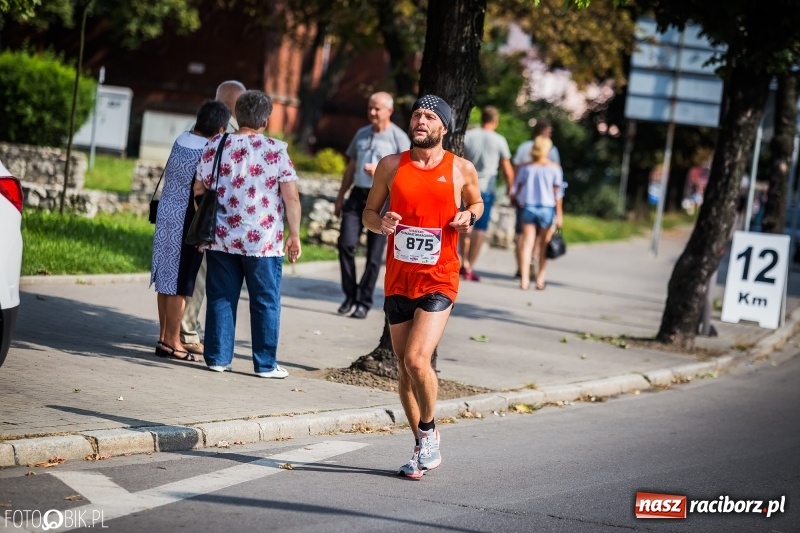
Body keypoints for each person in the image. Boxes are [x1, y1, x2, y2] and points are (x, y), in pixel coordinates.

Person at [362, 94, 483, 479]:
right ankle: (421, 447)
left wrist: (468, 216)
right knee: (403, 368)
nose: (421, 121)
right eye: (416, 114)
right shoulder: (391, 166)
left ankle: (428, 433)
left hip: (439, 277)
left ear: (443, 127)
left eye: (430, 116)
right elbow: (368, 212)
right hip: (399, 279)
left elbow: (477, 203)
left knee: (417, 359)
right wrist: (379, 223)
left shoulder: (461, 168)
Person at [192, 90, 302, 378]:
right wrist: (295, 235)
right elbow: (291, 198)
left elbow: (199, 189)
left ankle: (217, 358)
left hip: (221, 236)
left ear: (236, 116)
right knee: (265, 300)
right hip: (262, 242)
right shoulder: (276, 150)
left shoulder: (216, 144)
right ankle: (265, 364)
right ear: (265, 119)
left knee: (220, 296)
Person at [151, 100, 231, 361]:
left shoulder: (182, 138)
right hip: (189, 219)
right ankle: (175, 342)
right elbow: (205, 185)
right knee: (182, 283)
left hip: (166, 214)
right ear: (220, 128)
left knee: (165, 280)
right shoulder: (209, 148)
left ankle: (164, 337)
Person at [180, 80, 246, 356]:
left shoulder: (196, 126)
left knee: (193, 274)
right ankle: (188, 331)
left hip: (195, 212)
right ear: (232, 105)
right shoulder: (222, 132)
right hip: (207, 214)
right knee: (199, 275)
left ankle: (182, 329)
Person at [334, 92, 411, 319]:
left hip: (384, 200)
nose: (372, 112)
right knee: (345, 245)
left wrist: (381, 170)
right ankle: (350, 295)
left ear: (389, 111)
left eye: (377, 108)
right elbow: (351, 166)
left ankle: (364, 302)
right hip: (357, 196)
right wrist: (340, 196)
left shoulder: (398, 138)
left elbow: (407, 172)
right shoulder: (361, 133)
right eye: (370, 108)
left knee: (374, 255)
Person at [459, 106, 514, 281]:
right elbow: (507, 169)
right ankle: (469, 265)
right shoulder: (499, 140)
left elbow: (461, 162)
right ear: (495, 121)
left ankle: (462, 262)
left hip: (466, 186)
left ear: (482, 118)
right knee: (480, 229)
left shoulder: (469, 136)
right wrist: (510, 189)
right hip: (486, 190)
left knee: (466, 224)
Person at [512, 119, 562, 280]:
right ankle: (540, 276)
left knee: (524, 240)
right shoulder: (554, 159)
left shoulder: (524, 153)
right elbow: (558, 191)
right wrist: (559, 213)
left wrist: (514, 195)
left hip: (527, 204)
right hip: (547, 207)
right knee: (542, 242)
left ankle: (524, 275)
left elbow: (516, 178)